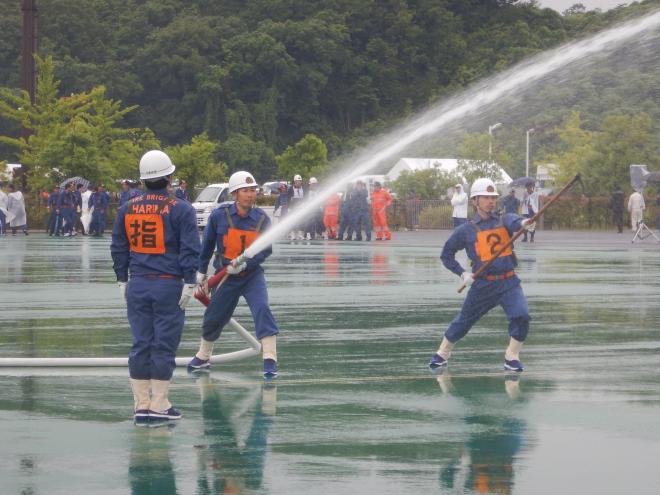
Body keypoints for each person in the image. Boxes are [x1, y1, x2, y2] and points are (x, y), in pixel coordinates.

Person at [111, 149, 201, 424]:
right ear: (169, 177)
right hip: (168, 285)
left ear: (143, 180)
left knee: (140, 343)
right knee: (163, 345)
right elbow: (189, 250)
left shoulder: (127, 208)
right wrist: (189, 281)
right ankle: (160, 404)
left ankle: (141, 404)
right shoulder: (181, 209)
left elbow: (118, 247)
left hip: (137, 285)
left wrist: (122, 278)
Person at [429, 178, 534, 372]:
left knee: (522, 315)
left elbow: (515, 221)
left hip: (509, 282)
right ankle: (442, 354)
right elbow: (446, 255)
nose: (491, 201)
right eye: (485, 197)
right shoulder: (465, 230)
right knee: (464, 321)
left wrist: (524, 222)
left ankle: (512, 357)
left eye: (493, 197)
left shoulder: (504, 220)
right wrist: (462, 274)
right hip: (483, 284)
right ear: (475, 201)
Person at [188, 170, 280, 378]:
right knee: (214, 315)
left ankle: (270, 359)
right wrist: (202, 273)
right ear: (235, 194)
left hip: (252, 276)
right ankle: (203, 356)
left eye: (253, 190)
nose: (250, 194)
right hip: (225, 276)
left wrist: (247, 265)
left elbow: (266, 250)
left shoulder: (261, 219)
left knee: (262, 309)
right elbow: (207, 245)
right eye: (245, 191)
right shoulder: (219, 216)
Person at [286, 174, 305, 240]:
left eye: (300, 181)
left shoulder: (304, 189)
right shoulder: (290, 189)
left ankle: (300, 234)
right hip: (292, 208)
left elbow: (305, 198)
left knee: (302, 221)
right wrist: (288, 208)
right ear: (294, 182)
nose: (299, 183)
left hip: (301, 208)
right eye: (297, 181)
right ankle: (292, 234)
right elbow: (288, 199)